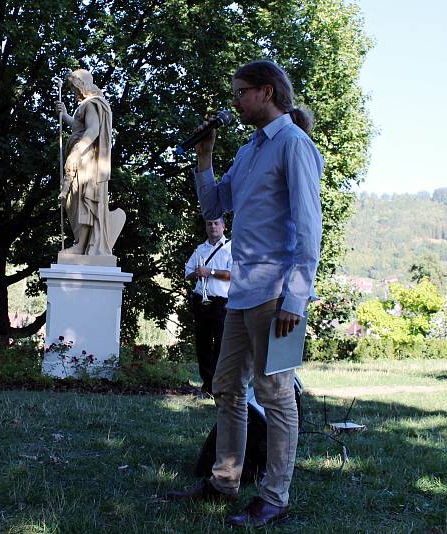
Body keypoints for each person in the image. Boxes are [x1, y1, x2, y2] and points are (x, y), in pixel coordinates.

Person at [167, 60, 323, 528]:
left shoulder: (294, 145)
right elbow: (215, 205)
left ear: (268, 91)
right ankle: (224, 480)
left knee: (276, 395)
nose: (233, 101)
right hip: (241, 295)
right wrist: (205, 159)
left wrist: (296, 299)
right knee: (226, 387)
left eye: (240, 92)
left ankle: (275, 496)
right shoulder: (251, 150)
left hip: (277, 294)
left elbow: (309, 229)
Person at [56, 69, 121, 256]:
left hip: (85, 161)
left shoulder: (91, 104)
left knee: (81, 201)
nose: (73, 92)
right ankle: (81, 243)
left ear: (82, 86)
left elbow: (93, 130)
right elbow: (79, 127)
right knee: (73, 201)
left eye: (74, 88)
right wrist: (66, 115)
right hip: (82, 159)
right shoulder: (85, 105)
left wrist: (76, 153)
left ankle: (81, 245)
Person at [184, 218, 232, 395]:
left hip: (221, 302)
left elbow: (233, 274)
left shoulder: (230, 247)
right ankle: (208, 385)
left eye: (216, 224)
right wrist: (196, 273)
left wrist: (209, 272)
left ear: (223, 226)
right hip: (201, 300)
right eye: (209, 224)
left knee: (220, 345)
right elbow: (187, 272)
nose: (212, 227)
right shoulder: (200, 249)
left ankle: (220, 386)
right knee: (202, 344)